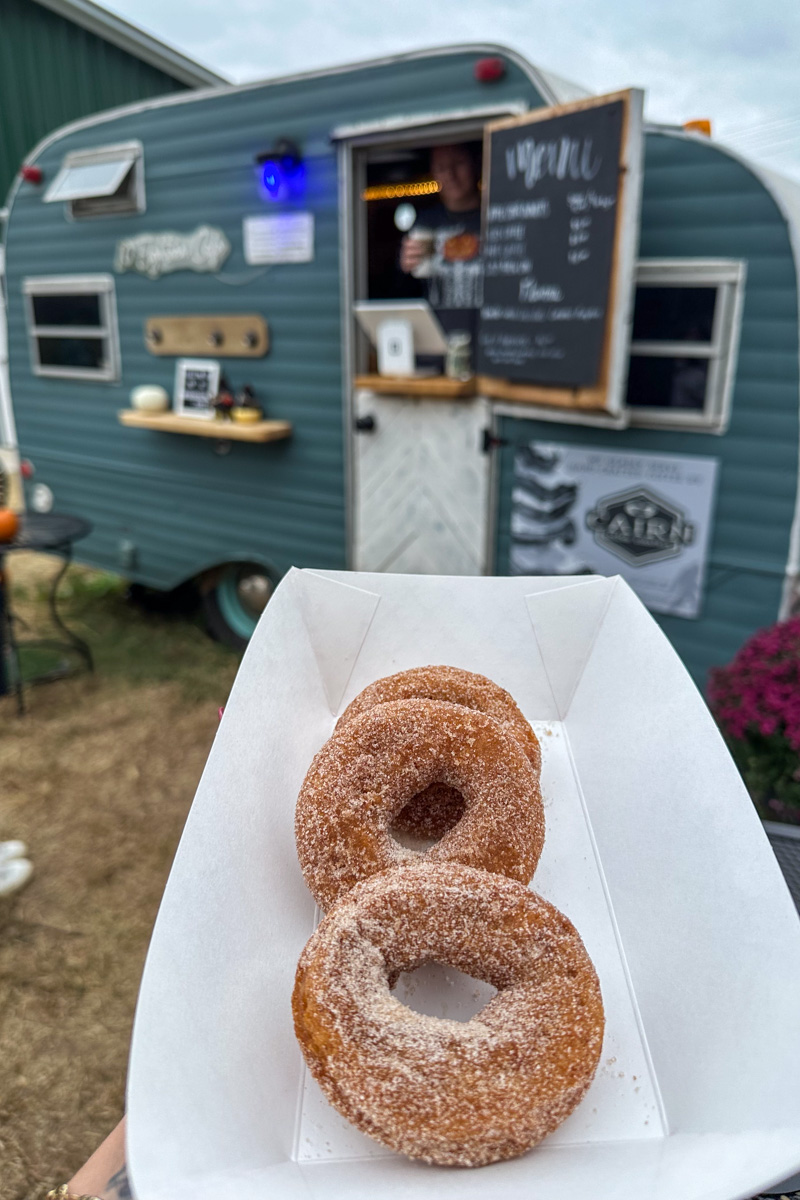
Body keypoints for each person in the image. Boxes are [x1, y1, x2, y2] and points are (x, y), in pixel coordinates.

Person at [399, 142, 483, 349]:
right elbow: (402, 296)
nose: (450, 174)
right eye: (441, 168)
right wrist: (403, 268)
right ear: (433, 174)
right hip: (436, 347)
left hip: (489, 345)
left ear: (476, 164)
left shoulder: (499, 215)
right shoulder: (424, 222)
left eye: (459, 163)